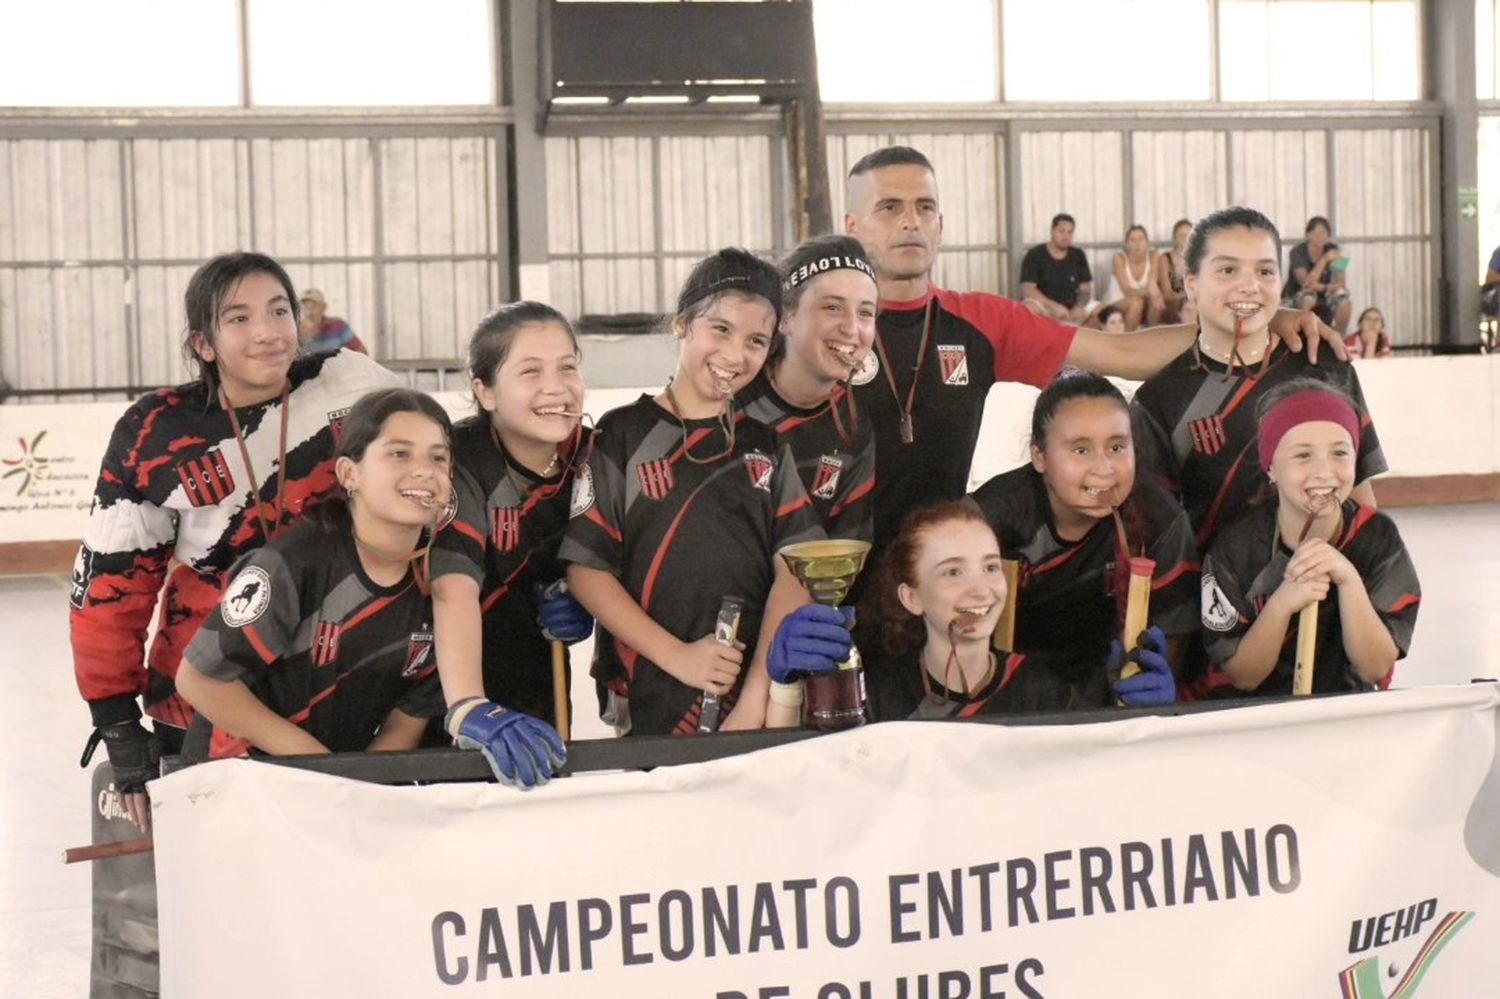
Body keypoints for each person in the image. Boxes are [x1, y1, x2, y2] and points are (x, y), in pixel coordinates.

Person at [840, 146, 1342, 558]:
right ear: (853, 225)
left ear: (941, 225)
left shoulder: (982, 321)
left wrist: (1253, 320)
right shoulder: (826, 324)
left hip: (937, 565)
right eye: (890, 207)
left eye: (924, 207)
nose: (911, 222)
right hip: (826, 568)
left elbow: (1120, 353)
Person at [70, 251, 400, 829]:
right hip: (203, 695)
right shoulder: (155, 431)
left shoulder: (354, 382)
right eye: (239, 318)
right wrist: (118, 722)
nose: (268, 332)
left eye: (279, 310)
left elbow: (429, 483)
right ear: (202, 343)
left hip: (354, 683)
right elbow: (110, 585)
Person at [561, 248, 822, 736]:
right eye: (720, 329)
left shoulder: (765, 444)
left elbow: (796, 569)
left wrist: (753, 698)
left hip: (749, 705)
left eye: (756, 340)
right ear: (682, 324)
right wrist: (679, 658)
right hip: (645, 695)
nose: (734, 354)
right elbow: (585, 571)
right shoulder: (621, 436)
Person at [1131, 206, 1386, 555]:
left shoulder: (1324, 365)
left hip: (1323, 593)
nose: (1249, 286)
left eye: (1265, 271)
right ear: (1191, 285)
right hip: (1217, 597)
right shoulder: (1159, 400)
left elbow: (1359, 492)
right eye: (1227, 270)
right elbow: (1159, 536)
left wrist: (1370, 577)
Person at [846, 502, 1174, 721]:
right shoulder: (877, 694)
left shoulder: (1042, 691)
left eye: (989, 567)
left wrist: (1144, 722)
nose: (981, 589)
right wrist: (791, 692)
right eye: (953, 572)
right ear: (911, 597)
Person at [970, 372, 1198, 687]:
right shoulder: (987, 521)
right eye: (1081, 450)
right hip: (1005, 694)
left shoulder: (1158, 519)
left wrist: (1151, 694)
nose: (1104, 468)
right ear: (1039, 456)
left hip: (1109, 699)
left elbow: (1173, 643)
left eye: (1117, 448)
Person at [1199, 379, 1419, 696]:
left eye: (1340, 453)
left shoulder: (1377, 538)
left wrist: (1348, 581)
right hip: (1256, 724)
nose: (1324, 472)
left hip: (1346, 719)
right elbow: (1243, 677)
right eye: (1303, 455)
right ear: (1271, 467)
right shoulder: (1235, 548)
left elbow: (1375, 667)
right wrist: (1282, 604)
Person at [433, 302, 595, 726]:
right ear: (485, 391)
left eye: (567, 368)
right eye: (530, 372)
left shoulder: (597, 457)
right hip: (440, 690)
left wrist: (588, 596)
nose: (556, 388)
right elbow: (452, 588)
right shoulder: (460, 460)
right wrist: (469, 706)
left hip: (537, 687)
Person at [738, 234, 878, 541]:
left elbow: (846, 551)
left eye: (866, 313)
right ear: (786, 317)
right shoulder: (728, 402)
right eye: (832, 308)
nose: (852, 329)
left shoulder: (853, 427)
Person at [1019, 213, 1098, 323]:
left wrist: (1079, 306)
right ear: (1052, 231)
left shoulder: (1078, 255)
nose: (1066, 237)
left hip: (1073, 305)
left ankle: (1083, 338)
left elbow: (1085, 289)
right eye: (1061, 231)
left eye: (1070, 232)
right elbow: (1028, 289)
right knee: (1028, 308)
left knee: (1103, 311)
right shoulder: (1035, 255)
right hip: (1045, 305)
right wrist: (1052, 306)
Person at [1283, 216, 1351, 333]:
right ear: (1308, 235)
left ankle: (1338, 337)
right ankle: (1306, 336)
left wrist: (1323, 287)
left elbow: (1341, 283)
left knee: (1344, 301)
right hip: (1296, 294)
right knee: (1309, 297)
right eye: (1317, 233)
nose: (1321, 237)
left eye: (1324, 233)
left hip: (1324, 292)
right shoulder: (1297, 252)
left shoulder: (1334, 250)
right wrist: (1324, 259)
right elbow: (1306, 284)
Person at [1109, 225, 1164, 330]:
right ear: (1127, 243)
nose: (1137, 244)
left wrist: (1153, 289)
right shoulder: (1119, 258)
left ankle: (1150, 337)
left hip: (1143, 302)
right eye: (1132, 240)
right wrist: (1150, 290)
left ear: (1147, 242)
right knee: (1136, 303)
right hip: (1118, 303)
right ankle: (1128, 342)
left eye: (1141, 239)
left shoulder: (1154, 256)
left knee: (1156, 299)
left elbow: (1153, 279)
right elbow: (1127, 291)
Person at [299, 287, 368, 355]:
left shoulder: (338, 325)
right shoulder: (296, 330)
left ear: (324, 307)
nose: (308, 312)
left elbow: (362, 352)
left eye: (313, 307)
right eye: (305, 308)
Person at [1154, 218, 1194, 325]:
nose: (1186, 239)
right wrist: (1188, 296)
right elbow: (1167, 293)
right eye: (1182, 236)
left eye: (1189, 236)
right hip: (1172, 306)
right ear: (1174, 239)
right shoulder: (1165, 258)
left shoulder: (1198, 260)